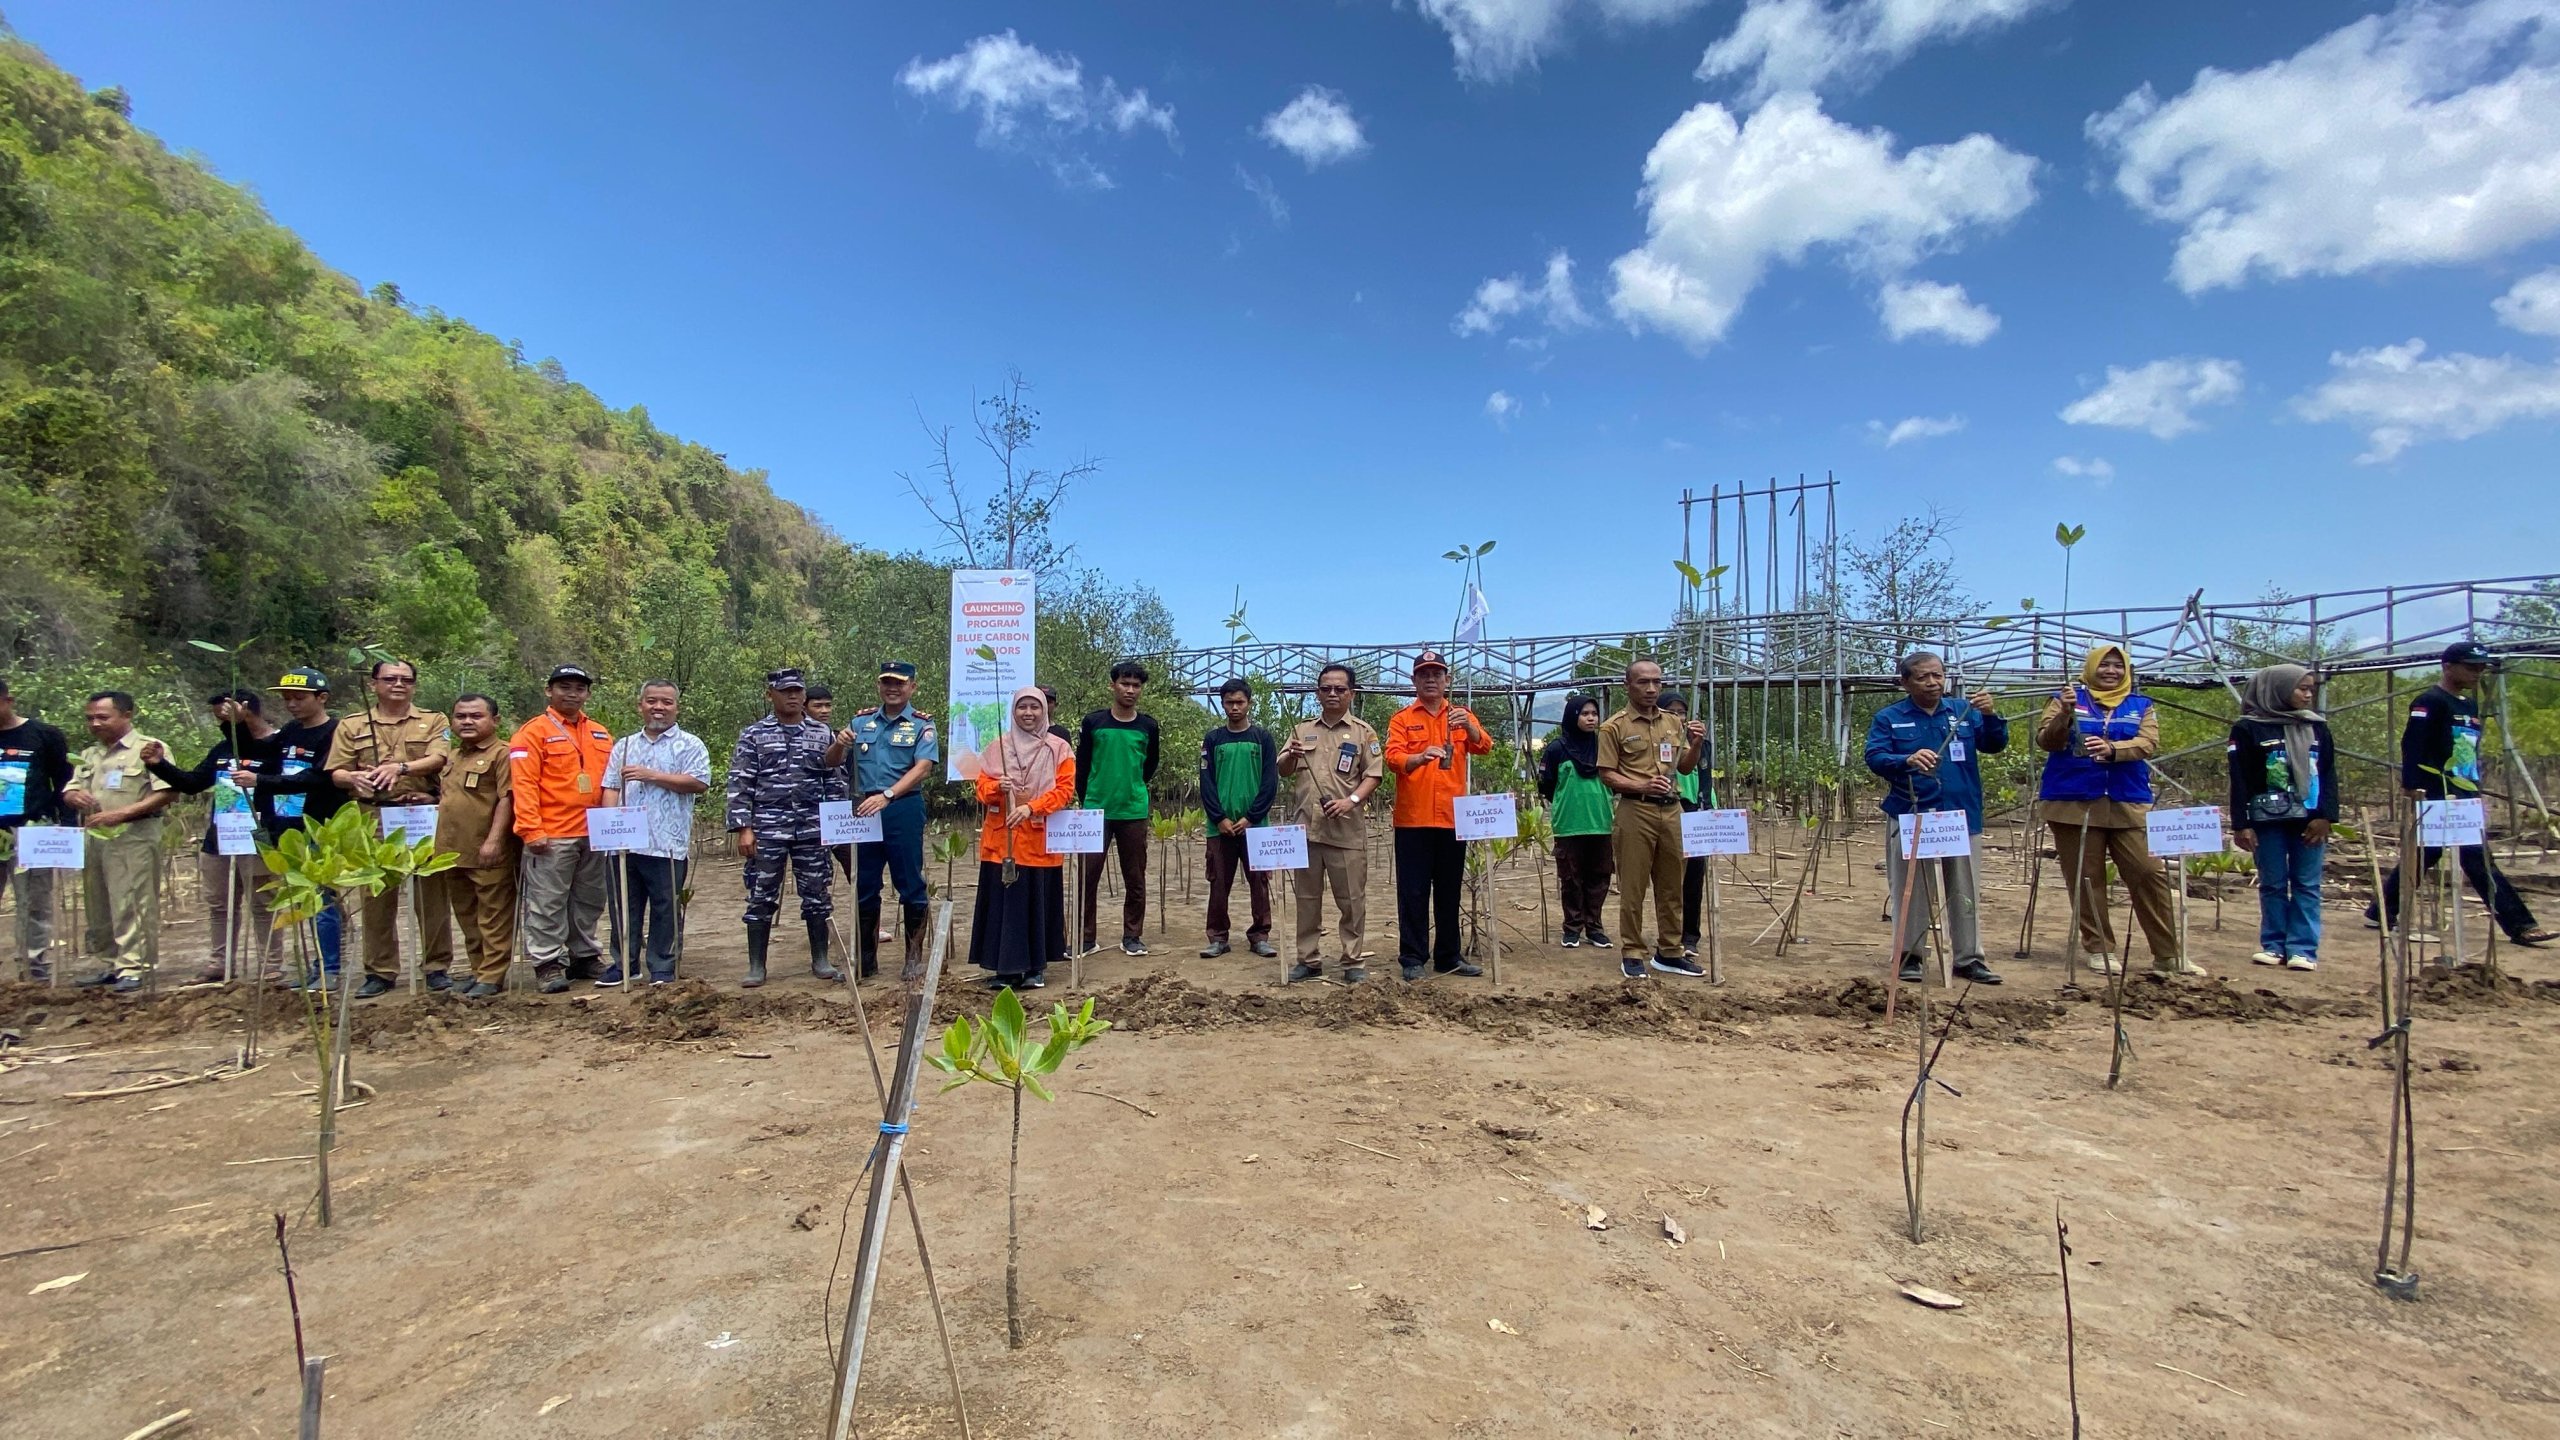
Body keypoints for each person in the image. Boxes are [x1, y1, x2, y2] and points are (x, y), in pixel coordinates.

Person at [2370, 641, 2556, 948]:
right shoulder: (2429, 702)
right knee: (2476, 858)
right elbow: (2412, 745)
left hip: (2465, 792)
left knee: (2426, 854)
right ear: (2448, 667)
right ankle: (2521, 925)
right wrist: (2412, 786)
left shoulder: (2468, 706)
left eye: (2481, 668)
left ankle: (2382, 910)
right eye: (2471, 667)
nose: (2477, 673)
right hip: (2436, 793)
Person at [2034, 643, 2195, 977]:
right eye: (2104, 665)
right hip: (2072, 801)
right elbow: (2047, 741)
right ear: (2091, 668)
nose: (2111, 671)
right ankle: (2099, 948)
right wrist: (2065, 714)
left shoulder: (2140, 705)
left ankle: (2168, 954)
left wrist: (2114, 749)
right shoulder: (2065, 698)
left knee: (2148, 872)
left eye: (2118, 666)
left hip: (2127, 800)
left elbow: (2148, 742)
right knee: (2086, 877)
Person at [1865, 652, 2008, 986]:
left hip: (1960, 814)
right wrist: (1907, 759)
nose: (1932, 683)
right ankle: (1910, 956)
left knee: (1964, 888)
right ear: (1905, 683)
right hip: (1912, 812)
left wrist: (1990, 715)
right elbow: (1875, 757)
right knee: (1911, 889)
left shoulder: (1963, 711)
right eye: (1922, 677)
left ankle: (1969, 958)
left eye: (1937, 676)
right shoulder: (1889, 717)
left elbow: (1994, 744)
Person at [326, 658, 453, 997]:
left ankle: (436, 966)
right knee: (376, 896)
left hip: (419, 814)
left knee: (431, 896)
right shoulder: (353, 724)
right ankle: (380, 970)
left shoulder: (434, 720)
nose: (398, 685)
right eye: (390, 679)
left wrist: (401, 768)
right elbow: (336, 771)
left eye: (406, 680)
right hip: (375, 817)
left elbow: (439, 758)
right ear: (374, 684)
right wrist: (352, 778)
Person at [142, 689, 281, 983]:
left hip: (260, 835)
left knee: (263, 902)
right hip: (221, 835)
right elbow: (193, 783)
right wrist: (159, 764)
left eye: (226, 717)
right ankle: (220, 962)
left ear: (246, 710)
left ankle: (270, 964)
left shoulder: (277, 745)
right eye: (219, 718)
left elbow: (262, 760)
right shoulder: (222, 750)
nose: (222, 723)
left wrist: (239, 725)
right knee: (220, 904)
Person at [726, 667, 844, 987]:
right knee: (761, 894)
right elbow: (740, 782)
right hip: (767, 828)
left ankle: (821, 959)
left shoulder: (822, 733)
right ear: (771, 695)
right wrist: (743, 827)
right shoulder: (754, 734)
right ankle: (756, 966)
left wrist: (836, 826)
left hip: (812, 828)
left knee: (817, 895)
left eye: (797, 691)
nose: (792, 696)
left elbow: (834, 781)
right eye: (785, 691)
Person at [825, 661, 938, 980]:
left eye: (899, 683)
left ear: (912, 687)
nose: (892, 688)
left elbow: (923, 767)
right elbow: (831, 762)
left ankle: (913, 959)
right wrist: (838, 743)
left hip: (902, 806)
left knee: (910, 882)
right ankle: (865, 961)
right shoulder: (860, 722)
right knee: (864, 883)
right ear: (879, 686)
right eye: (887, 682)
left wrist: (888, 795)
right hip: (864, 809)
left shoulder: (922, 724)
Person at [1384, 650, 1493, 983]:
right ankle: (1413, 957)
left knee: (1449, 891)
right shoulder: (1402, 719)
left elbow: (1485, 747)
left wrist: (1470, 729)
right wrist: (1419, 757)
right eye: (1423, 674)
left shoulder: (1461, 715)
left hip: (1452, 819)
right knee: (1413, 892)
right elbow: (1392, 758)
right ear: (1414, 680)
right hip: (1413, 821)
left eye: (1436, 674)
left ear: (1447, 680)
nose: (1430, 679)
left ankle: (1448, 956)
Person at [1598, 661, 1708, 979]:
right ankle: (1632, 951)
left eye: (1657, 682)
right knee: (1633, 886)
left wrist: (1696, 744)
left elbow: (1685, 767)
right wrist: (1642, 785)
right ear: (1627, 685)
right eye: (1643, 682)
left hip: (1672, 811)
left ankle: (1670, 951)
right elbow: (1607, 774)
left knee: (1673, 884)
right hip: (1636, 810)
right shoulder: (1613, 727)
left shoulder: (1673, 722)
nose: (1651, 689)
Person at [510, 663, 614, 993]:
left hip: (595, 832)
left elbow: (612, 781)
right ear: (549, 690)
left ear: (587, 694)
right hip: (552, 833)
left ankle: (584, 955)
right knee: (547, 901)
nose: (572, 694)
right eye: (564, 687)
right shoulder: (532, 733)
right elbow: (524, 784)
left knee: (589, 899)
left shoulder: (599, 732)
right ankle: (547, 963)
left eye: (579, 688)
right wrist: (531, 830)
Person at [1277, 663, 1383, 984]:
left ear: (1351, 693)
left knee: (1351, 900)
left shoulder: (1364, 733)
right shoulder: (1301, 730)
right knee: (1307, 900)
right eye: (1326, 689)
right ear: (1317, 693)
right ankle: (1308, 959)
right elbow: (1282, 768)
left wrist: (1351, 801)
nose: (1332, 694)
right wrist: (1291, 755)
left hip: (1345, 830)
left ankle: (1352, 960)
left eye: (1339, 689)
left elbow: (1373, 775)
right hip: (1306, 830)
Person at [603, 679, 713, 985]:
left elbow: (699, 782)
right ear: (640, 705)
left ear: (677, 707)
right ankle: (624, 964)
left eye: (666, 702)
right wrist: (609, 825)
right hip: (624, 842)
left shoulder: (690, 744)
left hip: (666, 843)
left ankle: (662, 964)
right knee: (624, 905)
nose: (658, 708)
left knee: (665, 906)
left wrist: (651, 775)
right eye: (652, 701)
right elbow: (610, 786)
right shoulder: (624, 746)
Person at [2229, 665, 2338, 971]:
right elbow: (2239, 779)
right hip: (2267, 820)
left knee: (2307, 883)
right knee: (2272, 883)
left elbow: (2328, 773)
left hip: (2310, 819)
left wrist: (2327, 816)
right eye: (2301, 689)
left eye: (2311, 689)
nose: (2308, 695)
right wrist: (2241, 824)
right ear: (2277, 689)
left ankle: (2303, 949)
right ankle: (2274, 944)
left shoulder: (2317, 727)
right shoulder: (2248, 728)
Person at [63, 692, 175, 991]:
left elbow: (167, 792)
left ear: (126, 715)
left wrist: (121, 814)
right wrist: (74, 796)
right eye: (90, 718)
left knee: (132, 900)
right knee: (97, 902)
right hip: (95, 837)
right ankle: (110, 962)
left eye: (103, 717)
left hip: (134, 836)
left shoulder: (149, 748)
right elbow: (70, 789)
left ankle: (135, 966)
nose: (95, 724)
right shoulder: (89, 755)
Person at [968, 687, 1076, 988]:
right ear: (1013, 711)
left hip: (1039, 841)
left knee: (1035, 903)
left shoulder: (1059, 749)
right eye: (1022, 707)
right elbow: (981, 789)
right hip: (1001, 842)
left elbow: (1065, 790)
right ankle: (1004, 969)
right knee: (1003, 904)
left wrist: (1032, 807)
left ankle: (1034, 969)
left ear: (1045, 710)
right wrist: (997, 788)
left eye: (1034, 707)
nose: (1028, 713)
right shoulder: (997, 747)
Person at [247, 669, 348, 986]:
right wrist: (239, 720)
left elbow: (317, 777)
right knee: (302, 899)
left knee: (322, 898)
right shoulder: (290, 731)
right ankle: (314, 967)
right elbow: (264, 753)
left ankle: (330, 969)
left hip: (319, 826)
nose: (292, 704)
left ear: (322, 698)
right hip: (286, 826)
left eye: (299, 698)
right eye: (287, 699)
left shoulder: (335, 732)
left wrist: (261, 781)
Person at [1075, 660, 1161, 956]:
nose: (1130, 690)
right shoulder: (1094, 722)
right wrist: (1088, 799)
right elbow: (1082, 764)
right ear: (1112, 685)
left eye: (1136, 685)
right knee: (1087, 877)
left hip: (1133, 811)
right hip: (1096, 810)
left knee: (1135, 877)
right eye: (1125, 683)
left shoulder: (1148, 726)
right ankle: (1086, 938)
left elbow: (1150, 765)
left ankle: (1132, 936)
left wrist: (1132, 786)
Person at [436, 694, 520, 997]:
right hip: (452, 851)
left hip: (488, 850)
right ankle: (477, 969)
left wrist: (494, 840)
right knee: (467, 914)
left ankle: (492, 975)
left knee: (494, 914)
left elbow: (507, 798)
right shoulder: (452, 756)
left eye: (476, 716)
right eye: (461, 716)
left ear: (494, 720)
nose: (467, 722)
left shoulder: (503, 754)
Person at [0, 677, 76, 983]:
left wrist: (67, 824)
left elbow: (65, 781)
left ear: (8, 700)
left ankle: (33, 966)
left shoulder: (44, 735)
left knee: (33, 901)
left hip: (32, 828)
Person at [1199, 678, 1280, 960]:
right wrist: (1219, 817)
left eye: (1240, 702)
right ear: (1222, 704)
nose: (1235, 707)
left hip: (1256, 827)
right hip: (1219, 828)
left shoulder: (1262, 738)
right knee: (1218, 883)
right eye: (1229, 702)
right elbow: (1206, 782)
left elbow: (1269, 782)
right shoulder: (1213, 739)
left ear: (1249, 703)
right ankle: (1217, 937)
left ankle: (1260, 936)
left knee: (1259, 883)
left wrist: (1251, 817)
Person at [1537, 692, 1615, 951]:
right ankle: (1572, 928)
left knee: (1599, 877)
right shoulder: (1557, 749)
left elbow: (1615, 780)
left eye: (1594, 714)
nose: (1591, 718)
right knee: (1571, 879)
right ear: (1573, 717)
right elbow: (1547, 785)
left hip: (1601, 822)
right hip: (1569, 825)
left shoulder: (1604, 746)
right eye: (1585, 714)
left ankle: (1595, 928)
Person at [1661, 693, 1711, 955]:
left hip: (1696, 811)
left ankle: (1690, 935)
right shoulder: (1661, 742)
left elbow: (1706, 779)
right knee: (1670, 880)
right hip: (1670, 809)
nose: (1679, 717)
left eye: (1682, 712)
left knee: (1694, 878)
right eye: (1672, 712)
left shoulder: (1700, 743)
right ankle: (1669, 934)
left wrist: (1710, 808)